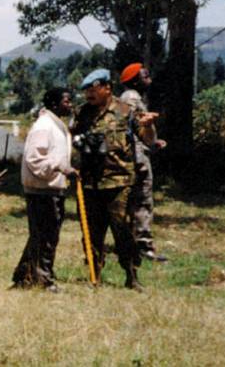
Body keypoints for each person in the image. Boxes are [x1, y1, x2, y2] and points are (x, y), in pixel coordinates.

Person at [73, 69, 156, 291]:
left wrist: (148, 126)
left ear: (107, 88)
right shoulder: (83, 114)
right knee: (91, 233)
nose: (89, 94)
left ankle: (131, 275)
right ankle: (95, 275)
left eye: (93, 89)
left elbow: (147, 140)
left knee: (123, 230)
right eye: (86, 91)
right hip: (91, 183)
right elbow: (73, 139)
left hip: (120, 183)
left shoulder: (125, 110)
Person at [12, 87, 74, 292]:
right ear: (55, 104)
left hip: (50, 188)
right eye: (67, 101)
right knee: (46, 237)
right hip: (42, 190)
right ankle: (43, 279)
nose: (71, 104)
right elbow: (34, 159)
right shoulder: (44, 127)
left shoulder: (56, 126)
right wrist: (61, 167)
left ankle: (24, 274)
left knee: (42, 235)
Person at [120, 63, 168, 263]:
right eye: (145, 75)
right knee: (142, 201)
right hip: (137, 158)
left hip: (137, 153)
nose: (149, 78)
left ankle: (133, 243)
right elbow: (126, 126)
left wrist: (153, 141)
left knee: (135, 202)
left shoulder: (134, 97)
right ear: (134, 80)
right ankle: (143, 247)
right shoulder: (131, 98)